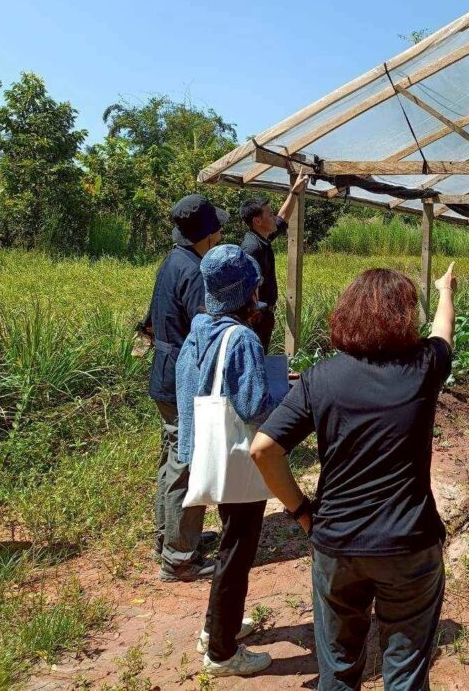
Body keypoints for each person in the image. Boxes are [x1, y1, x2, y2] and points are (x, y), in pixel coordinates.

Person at [250, 264, 457, 691]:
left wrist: (302, 511)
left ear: (346, 314)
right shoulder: (423, 368)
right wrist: (445, 291)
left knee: (339, 669)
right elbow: (443, 333)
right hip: (409, 543)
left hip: (337, 543)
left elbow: (263, 449)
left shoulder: (320, 378)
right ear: (404, 317)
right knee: (406, 670)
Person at [176, 244, 285, 676]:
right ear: (246, 291)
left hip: (207, 452)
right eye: (255, 286)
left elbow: (193, 391)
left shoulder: (199, 329)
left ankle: (215, 627)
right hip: (237, 458)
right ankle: (222, 652)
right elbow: (254, 406)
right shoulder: (241, 338)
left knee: (229, 543)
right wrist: (286, 395)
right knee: (237, 551)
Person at [145, 194, 228, 582]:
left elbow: (149, 320)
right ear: (207, 235)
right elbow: (205, 332)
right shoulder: (195, 272)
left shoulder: (172, 261)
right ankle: (179, 557)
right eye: (218, 230)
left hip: (164, 372)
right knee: (188, 463)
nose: (221, 236)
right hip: (183, 377)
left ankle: (169, 537)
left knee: (172, 457)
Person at [239, 173, 309, 351]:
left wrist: (294, 192)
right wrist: (257, 318)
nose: (274, 217)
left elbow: (283, 217)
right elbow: (247, 290)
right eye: (270, 214)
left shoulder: (262, 238)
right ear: (257, 221)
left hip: (264, 315)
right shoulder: (251, 249)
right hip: (256, 320)